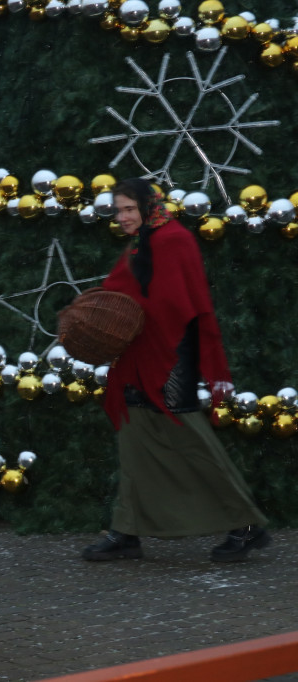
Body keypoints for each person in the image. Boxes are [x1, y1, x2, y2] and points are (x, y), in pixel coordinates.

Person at [81, 178, 270, 563]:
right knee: (133, 441)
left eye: (129, 209)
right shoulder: (142, 242)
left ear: (148, 206)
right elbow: (121, 293)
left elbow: (176, 304)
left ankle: (247, 525)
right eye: (118, 210)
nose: (122, 217)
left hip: (169, 358)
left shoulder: (173, 239)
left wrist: (123, 317)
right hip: (135, 355)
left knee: (191, 441)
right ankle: (127, 530)